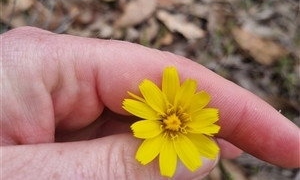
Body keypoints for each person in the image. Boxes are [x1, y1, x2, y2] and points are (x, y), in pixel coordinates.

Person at [1, 26, 299, 180]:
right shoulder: (161, 116)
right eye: (174, 119)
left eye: (177, 121)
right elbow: (143, 154)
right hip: (154, 126)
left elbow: (202, 112)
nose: (174, 121)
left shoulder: (187, 119)